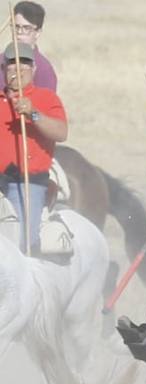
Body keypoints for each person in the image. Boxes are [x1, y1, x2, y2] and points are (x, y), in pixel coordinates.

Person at [1, 41, 65, 254]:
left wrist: (33, 114)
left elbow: (61, 132)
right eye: (11, 65)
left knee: (23, 241)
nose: (17, 70)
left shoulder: (46, 98)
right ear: (4, 70)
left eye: (24, 65)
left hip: (26, 181)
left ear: (34, 69)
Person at [11, 2, 55, 92]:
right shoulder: (1, 60)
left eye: (26, 28)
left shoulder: (44, 69)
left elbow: (46, 104)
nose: (19, 32)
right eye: (16, 26)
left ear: (37, 32)